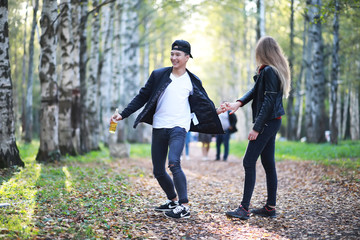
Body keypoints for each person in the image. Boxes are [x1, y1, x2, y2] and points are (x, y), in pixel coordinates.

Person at [111, 40, 225, 219]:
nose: (174, 58)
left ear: (187, 57)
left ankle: (184, 206)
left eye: (178, 55)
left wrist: (216, 111)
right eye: (172, 54)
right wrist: (123, 114)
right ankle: (173, 200)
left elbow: (203, 105)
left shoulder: (192, 81)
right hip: (159, 126)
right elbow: (142, 97)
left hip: (179, 127)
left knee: (174, 162)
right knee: (158, 170)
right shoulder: (159, 75)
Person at [224, 36, 291, 220]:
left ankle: (244, 209)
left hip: (268, 122)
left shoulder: (269, 70)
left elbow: (268, 101)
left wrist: (257, 128)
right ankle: (270, 208)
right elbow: (255, 91)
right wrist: (237, 103)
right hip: (273, 121)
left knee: (248, 161)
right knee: (268, 163)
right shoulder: (270, 70)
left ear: (263, 52)